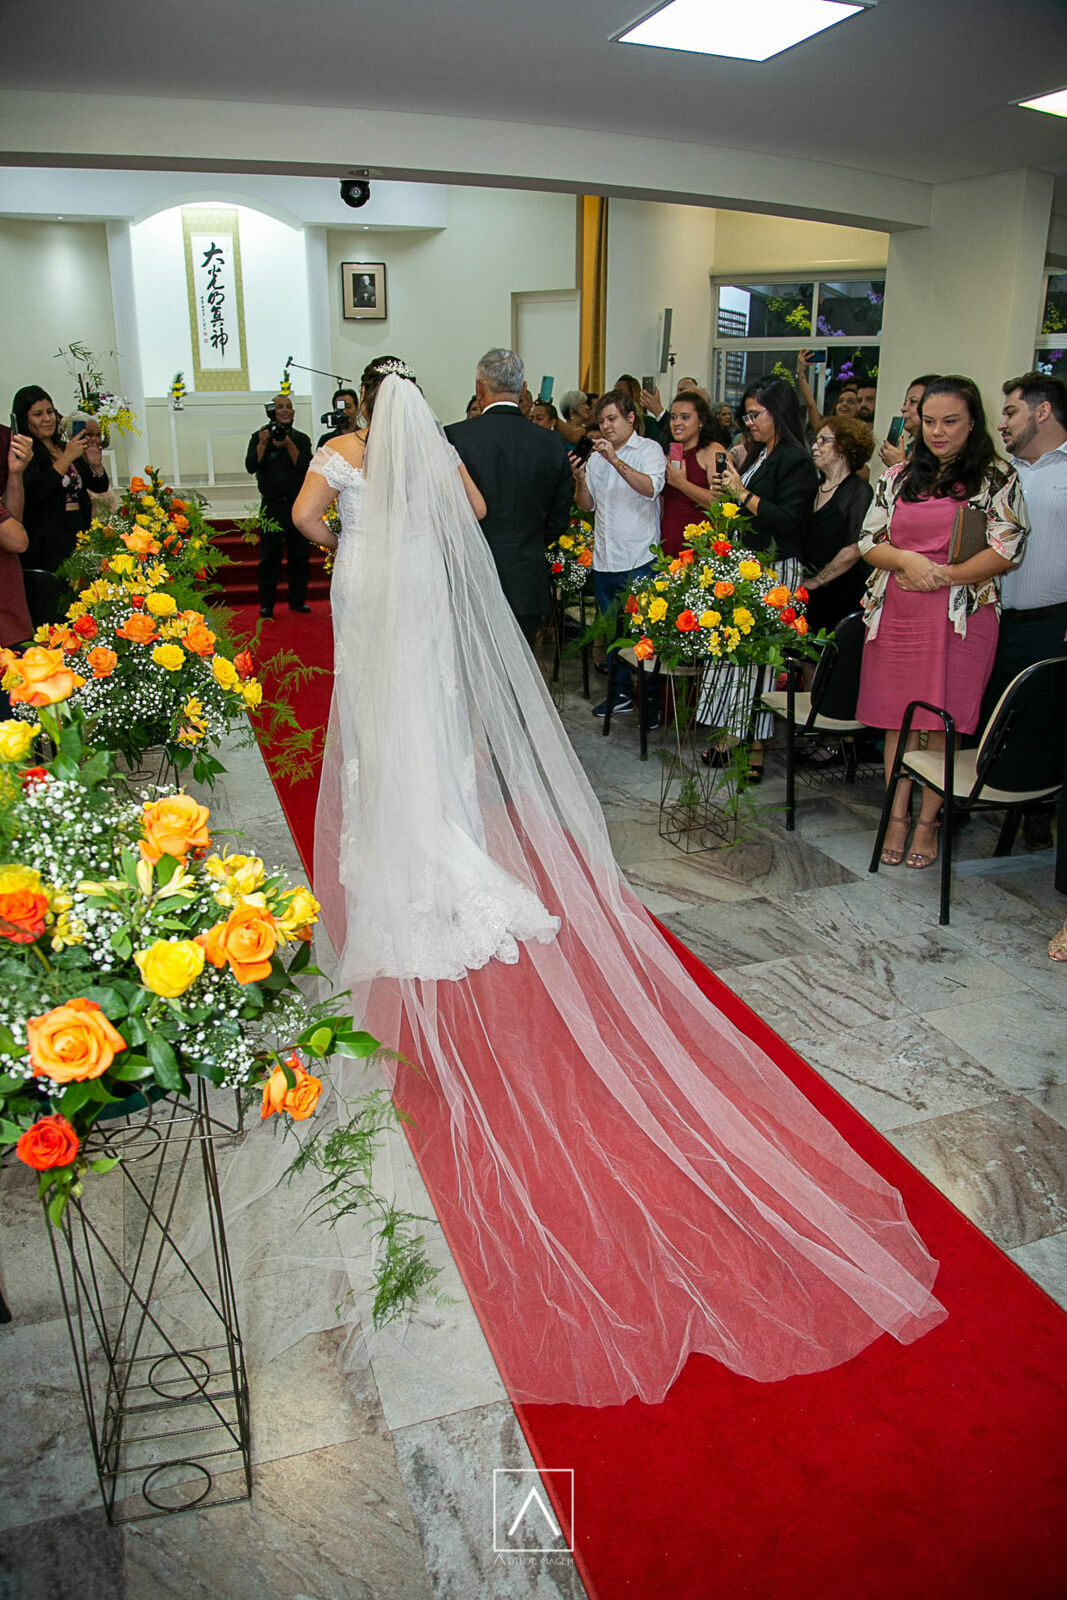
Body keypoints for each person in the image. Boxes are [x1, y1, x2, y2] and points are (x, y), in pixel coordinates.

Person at [289, 356, 946, 1410]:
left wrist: (353, 541)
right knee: (427, 716)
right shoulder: (439, 458)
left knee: (378, 719)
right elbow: (471, 511)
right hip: (419, 588)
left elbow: (305, 522)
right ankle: (446, 830)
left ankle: (403, 839)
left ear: (365, 405)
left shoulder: (345, 453)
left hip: (370, 587)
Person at [857, 376, 1028, 870]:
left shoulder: (995, 476)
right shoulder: (900, 475)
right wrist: (909, 562)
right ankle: (895, 816)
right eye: (929, 421)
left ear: (972, 421)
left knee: (944, 722)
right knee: (899, 720)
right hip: (900, 612)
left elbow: (1007, 546)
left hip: (962, 616)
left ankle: (929, 821)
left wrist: (944, 575)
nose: (938, 432)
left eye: (950, 422)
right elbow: (870, 541)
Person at [701, 377, 819, 777]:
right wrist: (730, 492)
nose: (748, 422)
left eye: (756, 414)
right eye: (746, 414)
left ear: (780, 412)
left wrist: (743, 493)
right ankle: (735, 732)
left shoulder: (796, 460)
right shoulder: (758, 453)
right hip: (748, 566)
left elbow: (788, 520)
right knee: (739, 657)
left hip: (775, 569)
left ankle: (755, 745)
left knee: (763, 662)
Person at [990, 372, 1067, 878]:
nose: (1002, 423)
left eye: (1011, 412)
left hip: (1051, 622)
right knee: (990, 712)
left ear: (1042, 412)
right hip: (995, 618)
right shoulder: (1002, 473)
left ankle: (1037, 809)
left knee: (1043, 719)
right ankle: (977, 797)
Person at [445, 348, 573, 649]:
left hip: (471, 577)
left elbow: (443, 511)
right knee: (522, 677)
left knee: (475, 675)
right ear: (524, 388)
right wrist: (529, 544)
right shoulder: (552, 443)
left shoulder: (454, 437)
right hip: (526, 578)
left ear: (479, 389)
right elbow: (559, 518)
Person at [570, 387, 666, 718]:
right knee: (612, 632)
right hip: (606, 558)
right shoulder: (595, 458)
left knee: (643, 633)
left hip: (640, 557)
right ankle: (620, 693)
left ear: (630, 418)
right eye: (601, 420)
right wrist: (580, 480)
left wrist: (616, 459)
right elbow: (587, 505)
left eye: (612, 419)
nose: (606, 426)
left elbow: (651, 489)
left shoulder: (649, 450)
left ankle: (650, 700)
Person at [13, 385, 109, 575]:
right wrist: (66, 458)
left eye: (50, 412)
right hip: (47, 538)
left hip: (77, 528)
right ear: (25, 419)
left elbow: (98, 486)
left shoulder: (65, 447)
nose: (47, 419)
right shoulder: (24, 455)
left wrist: (96, 466)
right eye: (38, 414)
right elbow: (36, 492)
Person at [244, 392, 313, 617]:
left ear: (293, 412)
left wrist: (288, 443)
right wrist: (263, 444)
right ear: (272, 411)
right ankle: (267, 604)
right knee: (269, 558)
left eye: (288, 407)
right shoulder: (259, 436)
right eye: (280, 406)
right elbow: (251, 466)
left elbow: (305, 467)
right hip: (271, 507)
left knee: (299, 556)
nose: (285, 410)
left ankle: (297, 600)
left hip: (297, 506)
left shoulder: (301, 439)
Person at [804, 415, 875, 634]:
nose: (815, 447)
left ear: (843, 446)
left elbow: (854, 549)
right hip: (809, 591)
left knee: (827, 660)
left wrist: (817, 581)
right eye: (815, 441)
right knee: (804, 658)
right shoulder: (813, 487)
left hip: (840, 591)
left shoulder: (858, 491)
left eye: (823, 440)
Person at [660, 390, 730, 557]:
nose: (677, 423)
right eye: (673, 417)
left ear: (701, 421)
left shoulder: (715, 451)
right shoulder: (670, 455)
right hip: (668, 543)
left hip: (702, 546)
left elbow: (720, 504)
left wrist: (682, 484)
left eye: (685, 417)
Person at [879, 375, 941, 469]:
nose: (903, 409)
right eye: (905, 403)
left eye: (913, 402)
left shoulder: (939, 450)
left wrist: (898, 465)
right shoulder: (910, 448)